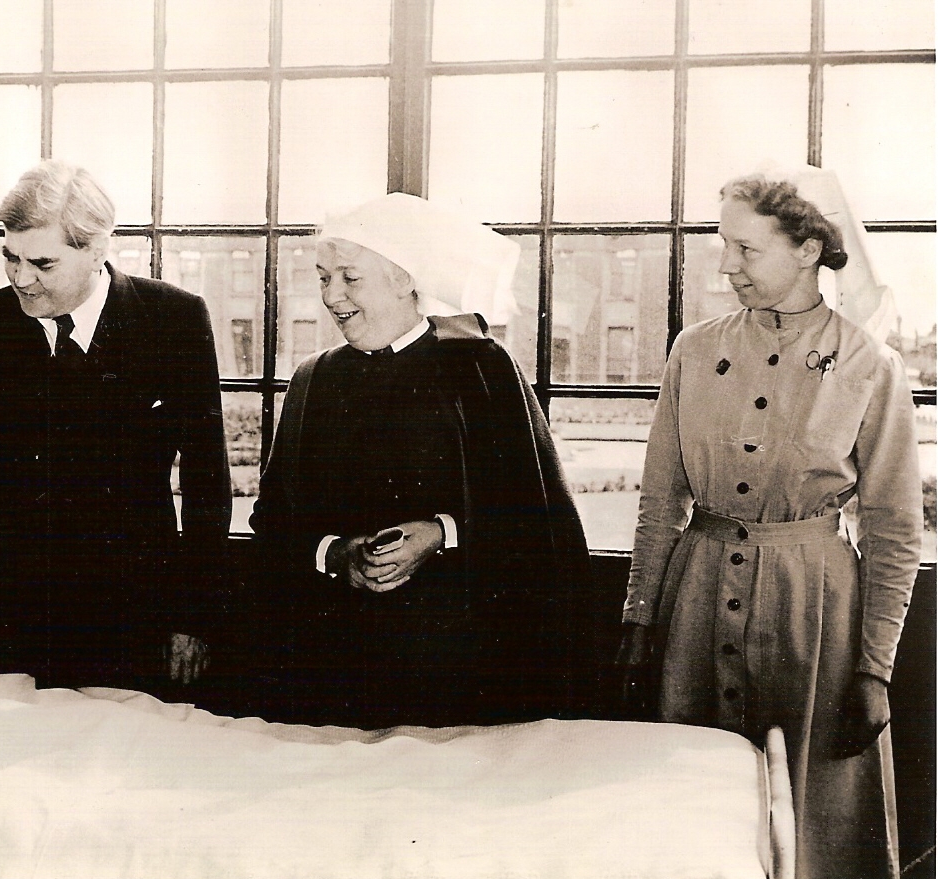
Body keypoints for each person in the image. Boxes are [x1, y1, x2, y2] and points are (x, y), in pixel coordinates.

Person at [618, 167, 922, 879]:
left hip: (812, 617)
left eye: (745, 249)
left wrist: (874, 668)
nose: (726, 265)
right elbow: (660, 499)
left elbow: (894, 527)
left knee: (811, 827)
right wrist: (638, 619)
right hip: (692, 612)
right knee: (687, 818)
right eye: (723, 245)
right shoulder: (692, 350)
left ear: (808, 247)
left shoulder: (868, 366)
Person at [248, 193, 592, 729]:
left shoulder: (480, 367)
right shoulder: (312, 380)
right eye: (322, 278)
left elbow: (541, 521)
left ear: (406, 280)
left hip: (459, 668)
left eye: (349, 278)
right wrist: (337, 554)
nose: (331, 297)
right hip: (335, 673)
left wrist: (442, 533)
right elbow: (272, 520)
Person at [0, 160, 231, 692]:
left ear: (98, 250)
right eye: (10, 256)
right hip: (0, 611)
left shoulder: (174, 319)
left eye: (43, 264)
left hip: (131, 611)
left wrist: (194, 618)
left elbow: (206, 483)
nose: (20, 278)